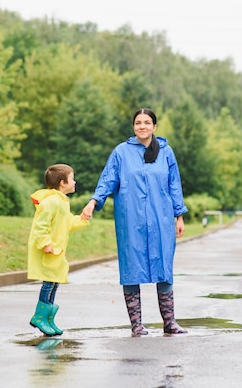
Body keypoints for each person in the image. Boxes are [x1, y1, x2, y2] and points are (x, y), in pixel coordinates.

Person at [81, 108, 188, 336]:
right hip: (131, 220)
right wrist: (93, 202)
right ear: (133, 127)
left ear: (154, 127)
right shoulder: (121, 152)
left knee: (164, 268)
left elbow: (174, 185)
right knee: (131, 268)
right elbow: (108, 180)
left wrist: (179, 215)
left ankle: (169, 322)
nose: (142, 126)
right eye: (138, 122)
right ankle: (136, 325)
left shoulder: (166, 152)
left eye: (147, 122)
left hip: (161, 219)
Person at [27, 163, 90, 336]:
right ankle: (39, 317)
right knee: (48, 282)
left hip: (57, 250)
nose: (75, 182)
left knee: (54, 282)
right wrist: (45, 243)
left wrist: (82, 219)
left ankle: (48, 319)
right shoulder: (51, 202)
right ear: (63, 183)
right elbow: (41, 225)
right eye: (72, 179)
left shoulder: (62, 201)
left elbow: (67, 222)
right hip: (49, 250)